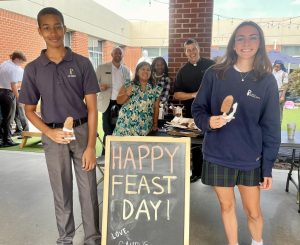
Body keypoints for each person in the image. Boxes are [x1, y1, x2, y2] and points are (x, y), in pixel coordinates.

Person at [191, 21, 281, 245]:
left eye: (253, 37)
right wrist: (210, 121)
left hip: (250, 158)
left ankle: (257, 242)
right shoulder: (215, 74)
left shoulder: (267, 81)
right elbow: (197, 109)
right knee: (227, 206)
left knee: (254, 212)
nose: (246, 43)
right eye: (240, 38)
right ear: (233, 44)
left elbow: (271, 127)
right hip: (218, 155)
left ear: (260, 43)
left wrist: (267, 166)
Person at [19, 7, 101, 245]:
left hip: (81, 131)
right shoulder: (33, 69)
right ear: (39, 30)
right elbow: (29, 110)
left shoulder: (83, 63)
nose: (53, 32)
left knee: (88, 191)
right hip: (53, 135)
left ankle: (92, 239)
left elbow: (93, 108)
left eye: (57, 26)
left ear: (65, 28)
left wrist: (90, 147)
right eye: (47, 27)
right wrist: (49, 132)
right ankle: (65, 238)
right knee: (61, 192)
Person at [174, 38, 215, 183]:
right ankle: (197, 172)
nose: (192, 52)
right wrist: (193, 94)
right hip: (193, 114)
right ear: (185, 52)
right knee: (196, 144)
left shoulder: (212, 65)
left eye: (194, 48)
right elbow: (176, 94)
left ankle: (213, 175)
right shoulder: (183, 71)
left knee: (213, 142)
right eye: (188, 50)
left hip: (213, 112)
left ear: (199, 48)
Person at [113, 61, 162, 136]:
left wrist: (155, 124)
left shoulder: (156, 89)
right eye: (143, 69)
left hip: (144, 126)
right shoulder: (128, 84)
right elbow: (119, 101)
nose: (145, 71)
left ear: (151, 72)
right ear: (137, 71)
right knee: (122, 147)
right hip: (125, 125)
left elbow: (156, 108)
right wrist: (127, 94)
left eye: (148, 70)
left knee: (140, 147)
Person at [96, 46, 130, 149]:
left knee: (120, 129)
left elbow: (129, 86)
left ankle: (118, 153)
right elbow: (92, 84)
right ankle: (105, 154)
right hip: (107, 103)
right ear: (112, 55)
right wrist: (100, 87)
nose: (118, 55)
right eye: (116, 53)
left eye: (120, 53)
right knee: (107, 130)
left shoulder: (126, 70)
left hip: (121, 103)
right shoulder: (102, 68)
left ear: (122, 55)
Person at [0, 51, 26, 147]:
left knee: (3, 117)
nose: (21, 64)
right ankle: (7, 140)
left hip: (1, 91)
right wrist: (19, 99)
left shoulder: (4, 64)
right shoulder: (14, 68)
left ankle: (2, 138)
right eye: (21, 62)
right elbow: (13, 85)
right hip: (8, 93)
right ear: (17, 59)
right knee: (9, 118)